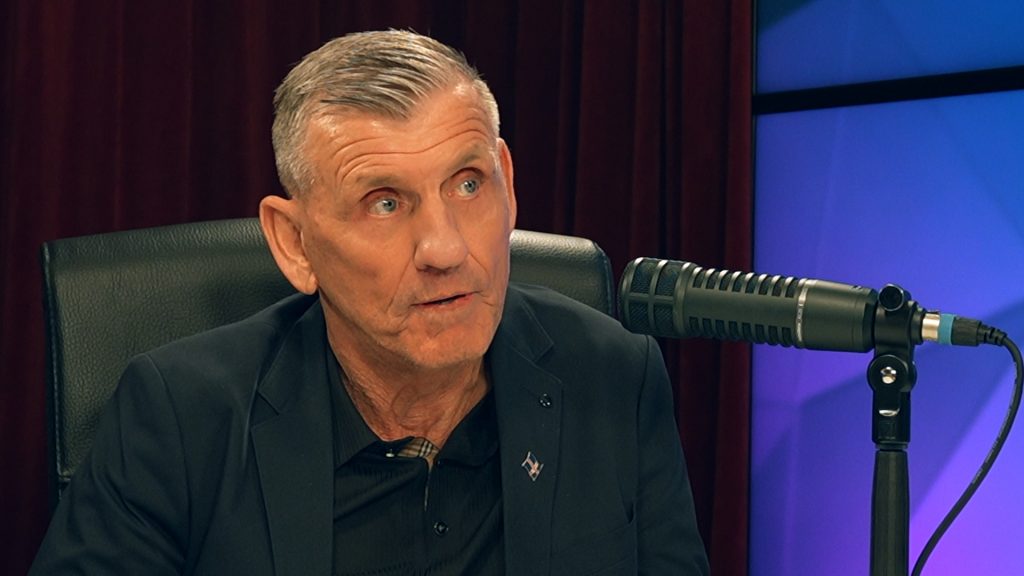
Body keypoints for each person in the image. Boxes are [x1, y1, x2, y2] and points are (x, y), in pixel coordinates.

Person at [30, 30, 709, 575]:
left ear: (507, 183)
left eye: (468, 184)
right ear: (294, 243)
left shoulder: (614, 376)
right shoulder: (179, 416)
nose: (444, 248)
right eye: (385, 203)